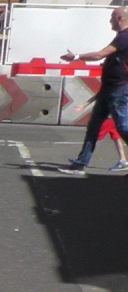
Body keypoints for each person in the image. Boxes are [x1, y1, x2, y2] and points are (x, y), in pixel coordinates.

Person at [59, 7, 128, 175]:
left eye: (112, 18)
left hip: (119, 89)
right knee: (93, 127)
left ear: (119, 18)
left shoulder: (125, 37)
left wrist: (76, 57)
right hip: (108, 90)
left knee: (123, 127)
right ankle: (80, 164)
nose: (109, 21)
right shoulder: (120, 37)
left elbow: (99, 55)